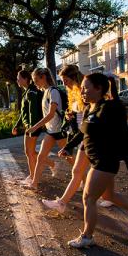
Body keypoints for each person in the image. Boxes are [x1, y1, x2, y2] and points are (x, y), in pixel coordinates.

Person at [63, 73, 128, 248]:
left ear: (99, 88)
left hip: (105, 161)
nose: (82, 92)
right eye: (82, 89)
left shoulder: (109, 109)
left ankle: (87, 237)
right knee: (108, 195)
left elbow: (123, 138)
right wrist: (68, 146)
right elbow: (83, 132)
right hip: (96, 159)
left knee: (88, 198)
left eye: (86, 88)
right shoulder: (90, 108)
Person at [42, 64, 90, 212]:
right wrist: (70, 115)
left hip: (89, 135)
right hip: (82, 133)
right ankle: (62, 203)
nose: (64, 84)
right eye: (62, 81)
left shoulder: (85, 91)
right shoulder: (71, 91)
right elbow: (77, 111)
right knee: (80, 170)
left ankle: (62, 203)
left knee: (92, 170)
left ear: (74, 77)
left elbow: (89, 112)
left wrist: (69, 145)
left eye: (65, 80)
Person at [25, 68, 69, 190]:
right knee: (41, 157)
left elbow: (50, 114)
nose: (35, 83)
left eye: (36, 80)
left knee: (69, 158)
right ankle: (34, 184)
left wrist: (34, 127)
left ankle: (84, 180)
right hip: (51, 131)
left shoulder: (53, 92)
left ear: (43, 77)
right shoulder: (46, 92)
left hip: (59, 131)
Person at [12, 70, 55, 185]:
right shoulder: (27, 92)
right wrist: (17, 124)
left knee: (29, 153)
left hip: (32, 127)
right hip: (30, 127)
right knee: (30, 152)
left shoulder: (31, 92)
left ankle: (33, 176)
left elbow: (33, 113)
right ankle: (52, 164)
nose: (17, 80)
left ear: (26, 79)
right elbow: (23, 112)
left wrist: (32, 128)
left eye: (19, 78)